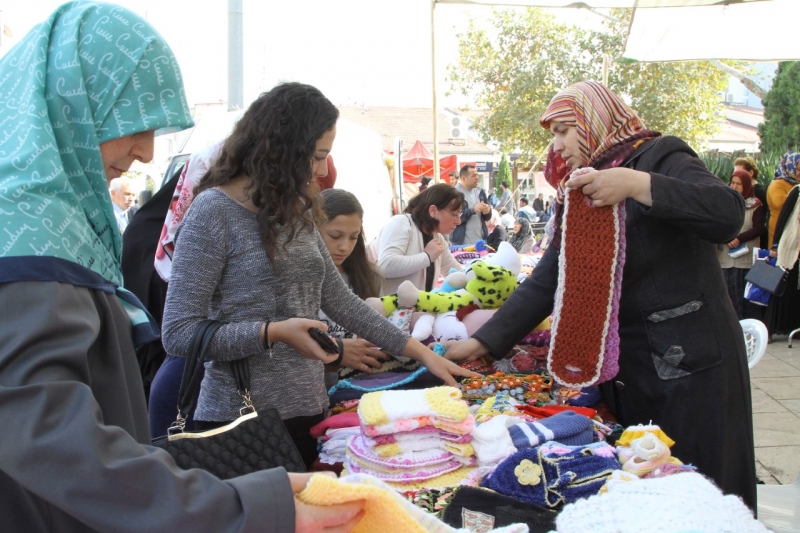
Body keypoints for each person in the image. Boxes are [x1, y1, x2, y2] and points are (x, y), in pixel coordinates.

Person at [0, 4, 364, 531]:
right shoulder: (29, 236)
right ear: (73, 105)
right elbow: (49, 433)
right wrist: (238, 506)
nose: (147, 151)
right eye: (131, 122)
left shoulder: (48, 221)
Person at [443, 81, 756, 511]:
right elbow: (551, 275)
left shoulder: (661, 156)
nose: (556, 146)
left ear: (594, 122)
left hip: (691, 370)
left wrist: (636, 183)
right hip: (631, 367)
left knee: (700, 490)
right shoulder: (584, 186)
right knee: (647, 489)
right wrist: (483, 341)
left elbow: (726, 214)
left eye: (564, 130)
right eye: (552, 134)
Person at [161, 83, 476, 469]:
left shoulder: (296, 209)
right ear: (280, 149)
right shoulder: (212, 213)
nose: (323, 169)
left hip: (309, 411)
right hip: (240, 421)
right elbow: (178, 333)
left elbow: (341, 301)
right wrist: (271, 332)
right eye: (317, 156)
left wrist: (421, 352)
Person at [318, 188, 391, 385]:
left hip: (362, 385)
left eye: (353, 237)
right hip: (314, 390)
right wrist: (337, 352)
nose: (344, 247)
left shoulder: (371, 276)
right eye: (335, 236)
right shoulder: (300, 279)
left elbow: (382, 327)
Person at [376, 183, 464, 295]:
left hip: (417, 309)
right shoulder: (401, 222)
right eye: (455, 214)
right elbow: (385, 266)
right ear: (433, 211)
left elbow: (454, 272)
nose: (458, 221)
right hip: (388, 309)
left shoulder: (437, 237)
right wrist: (426, 256)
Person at [717, 169, 765, 320]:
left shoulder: (755, 205)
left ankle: (748, 330)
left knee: (746, 299)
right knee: (729, 297)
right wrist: (727, 238)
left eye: (739, 184)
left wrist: (739, 238)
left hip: (745, 259)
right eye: (733, 183)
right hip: (726, 257)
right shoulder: (724, 203)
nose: (735, 186)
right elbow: (715, 224)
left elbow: (759, 228)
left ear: (746, 185)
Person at [764, 184, 800, 340]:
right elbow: (784, 218)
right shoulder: (797, 191)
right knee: (784, 287)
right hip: (792, 247)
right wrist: (776, 244)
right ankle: (774, 329)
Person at [450, 164, 491, 245]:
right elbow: (453, 218)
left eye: (477, 175)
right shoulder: (454, 193)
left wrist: (487, 211)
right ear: (464, 178)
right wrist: (473, 210)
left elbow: (487, 217)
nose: (477, 178)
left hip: (481, 242)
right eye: (473, 176)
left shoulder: (480, 192)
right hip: (461, 244)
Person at [766, 152, 799, 248]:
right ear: (790, 166)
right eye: (798, 169)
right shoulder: (778, 184)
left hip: (794, 233)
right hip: (781, 233)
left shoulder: (795, 184)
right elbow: (780, 203)